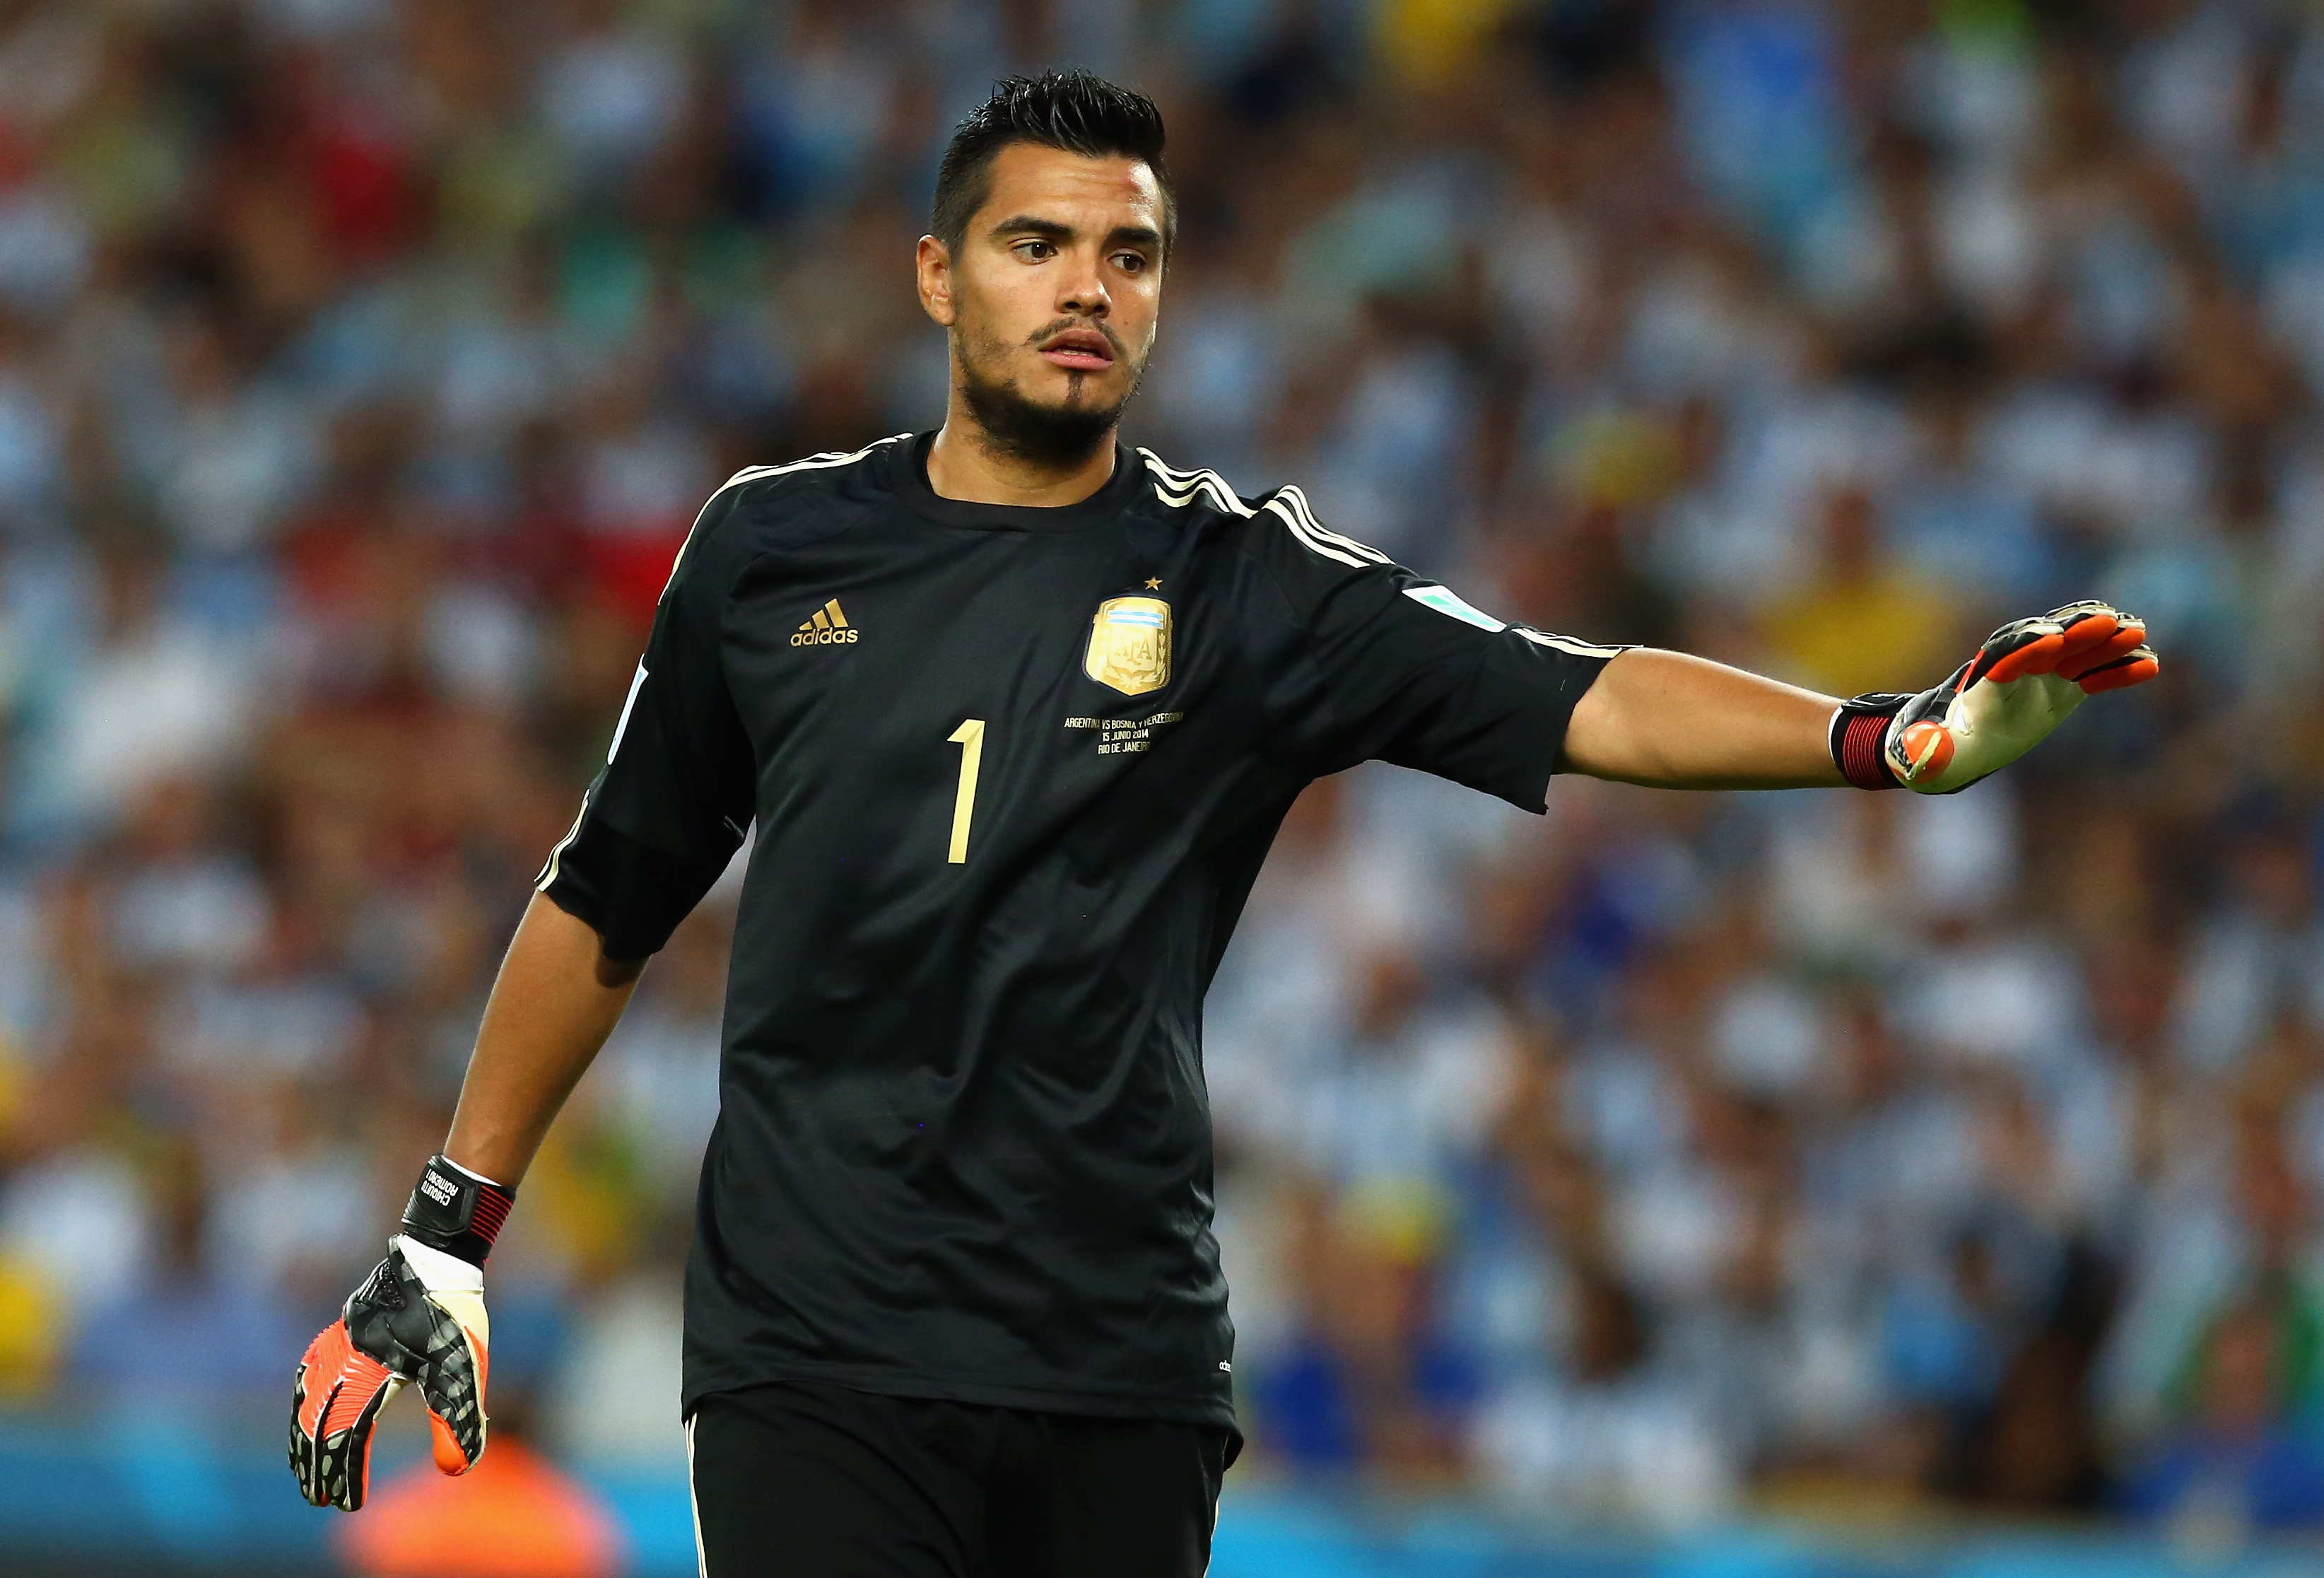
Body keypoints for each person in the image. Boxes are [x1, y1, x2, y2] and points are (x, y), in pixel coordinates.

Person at [286, 71, 2158, 1576]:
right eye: (1038, 243)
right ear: (938, 275)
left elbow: (1574, 693)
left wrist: (1889, 741)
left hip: (1117, 1360)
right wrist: (451, 1223)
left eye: (1132, 251)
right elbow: (604, 898)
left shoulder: (1246, 585)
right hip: (816, 1348)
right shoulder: (770, 553)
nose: (1089, 284)